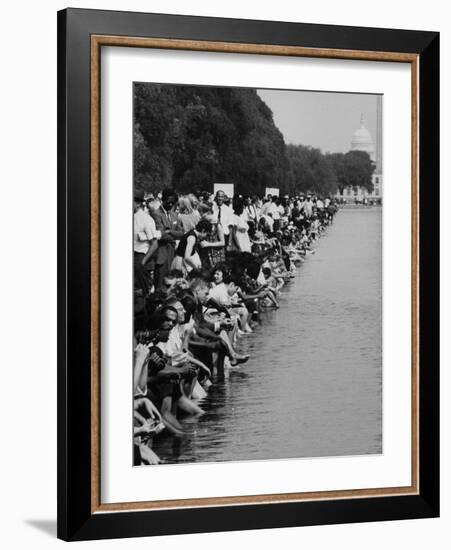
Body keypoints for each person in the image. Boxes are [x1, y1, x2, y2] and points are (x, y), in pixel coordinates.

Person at [150, 189, 185, 290]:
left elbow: (182, 233)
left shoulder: (174, 215)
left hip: (172, 255)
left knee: (170, 285)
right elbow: (161, 234)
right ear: (163, 200)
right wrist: (173, 238)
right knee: (160, 285)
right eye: (168, 202)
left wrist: (170, 232)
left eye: (173, 203)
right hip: (161, 255)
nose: (170, 204)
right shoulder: (156, 214)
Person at [133, 189, 159, 296]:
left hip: (140, 258)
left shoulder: (146, 220)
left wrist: (143, 261)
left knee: (141, 293)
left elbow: (154, 244)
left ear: (138, 203)